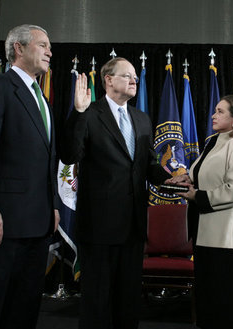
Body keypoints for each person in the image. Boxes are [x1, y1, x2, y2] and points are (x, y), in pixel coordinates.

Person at [61, 57, 172, 329]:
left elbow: (148, 164)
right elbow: (70, 154)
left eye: (135, 77)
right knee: (97, 302)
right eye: (127, 76)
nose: (134, 81)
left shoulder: (141, 118)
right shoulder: (88, 112)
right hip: (99, 227)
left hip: (133, 226)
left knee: (128, 301)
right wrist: (77, 112)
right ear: (108, 80)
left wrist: (174, 179)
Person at [0, 24, 60, 329]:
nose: (49, 52)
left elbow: (47, 161)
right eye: (42, 45)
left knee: (24, 308)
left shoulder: (41, 99)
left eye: (50, 47)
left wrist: (53, 204)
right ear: (18, 48)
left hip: (38, 222)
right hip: (1, 222)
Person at [167, 95, 233, 329]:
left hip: (229, 237)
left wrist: (196, 195)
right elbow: (209, 176)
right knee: (212, 302)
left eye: (220, 111)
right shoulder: (215, 141)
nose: (213, 115)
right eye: (215, 110)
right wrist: (189, 179)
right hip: (207, 232)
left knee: (230, 305)